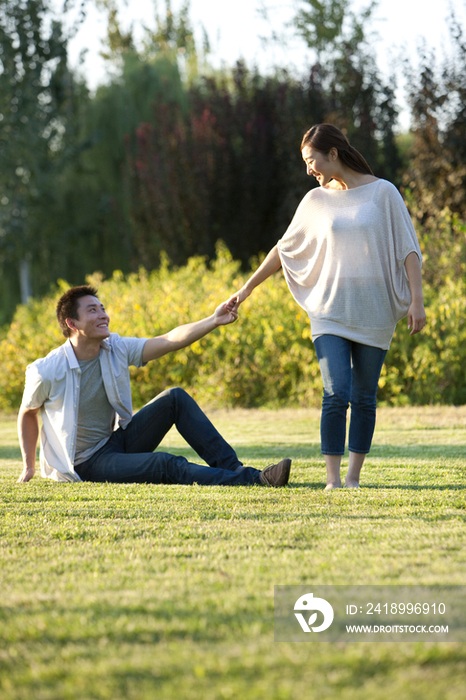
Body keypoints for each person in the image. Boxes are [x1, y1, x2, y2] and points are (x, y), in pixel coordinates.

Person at [227, 123, 426, 490]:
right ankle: (332, 479)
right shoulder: (316, 200)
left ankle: (353, 477)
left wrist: (417, 299)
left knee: (365, 396)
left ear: (332, 154)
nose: (308, 170)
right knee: (337, 391)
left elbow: (408, 249)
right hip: (329, 310)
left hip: (374, 310)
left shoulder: (384, 193)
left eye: (311, 160)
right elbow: (283, 249)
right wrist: (246, 289)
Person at [17, 285, 291, 488]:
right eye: (93, 310)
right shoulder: (47, 369)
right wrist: (29, 465)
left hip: (116, 441)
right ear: (71, 324)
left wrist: (213, 320)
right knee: (165, 464)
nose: (103, 315)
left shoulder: (115, 347)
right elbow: (28, 412)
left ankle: (235, 469)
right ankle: (255, 480)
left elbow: (169, 339)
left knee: (174, 398)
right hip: (85, 463)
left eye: (103, 308)